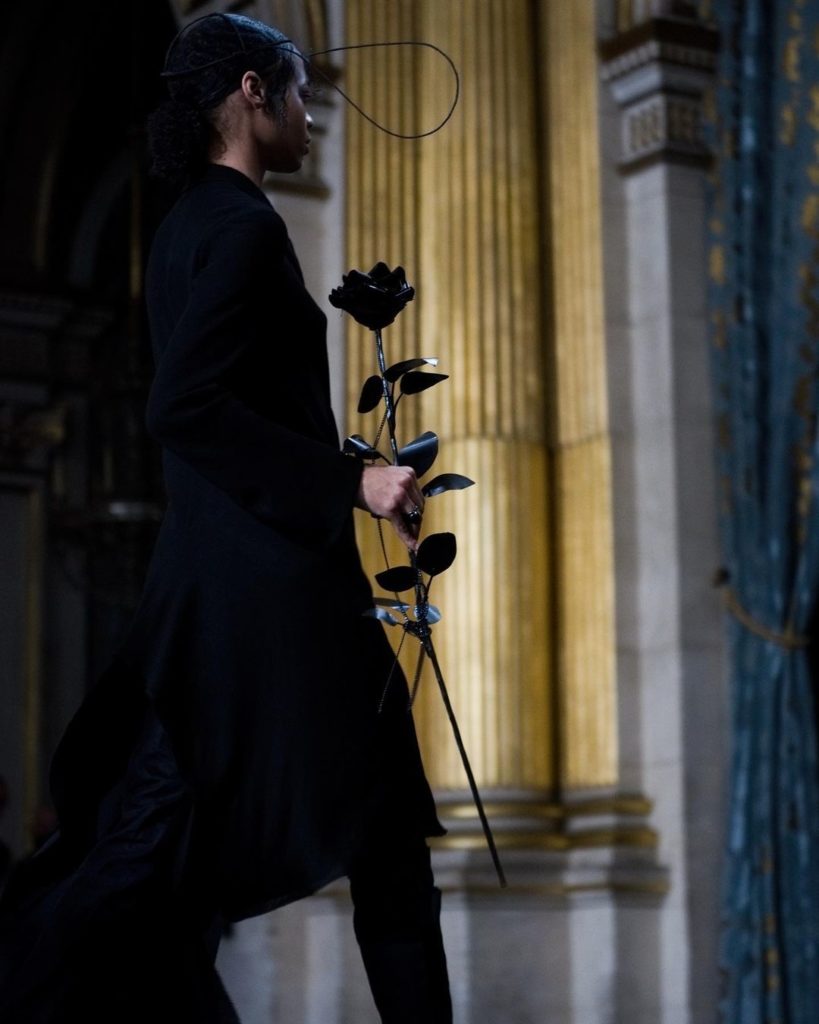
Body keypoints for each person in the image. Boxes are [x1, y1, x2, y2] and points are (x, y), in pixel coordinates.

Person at [0, 13, 452, 1023]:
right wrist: (356, 486)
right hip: (271, 602)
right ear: (252, 91)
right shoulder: (244, 228)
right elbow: (185, 409)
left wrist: (352, 466)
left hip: (223, 596)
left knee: (161, 871)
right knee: (360, 851)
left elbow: (235, 410)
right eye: (294, 91)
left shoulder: (190, 223)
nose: (304, 111)